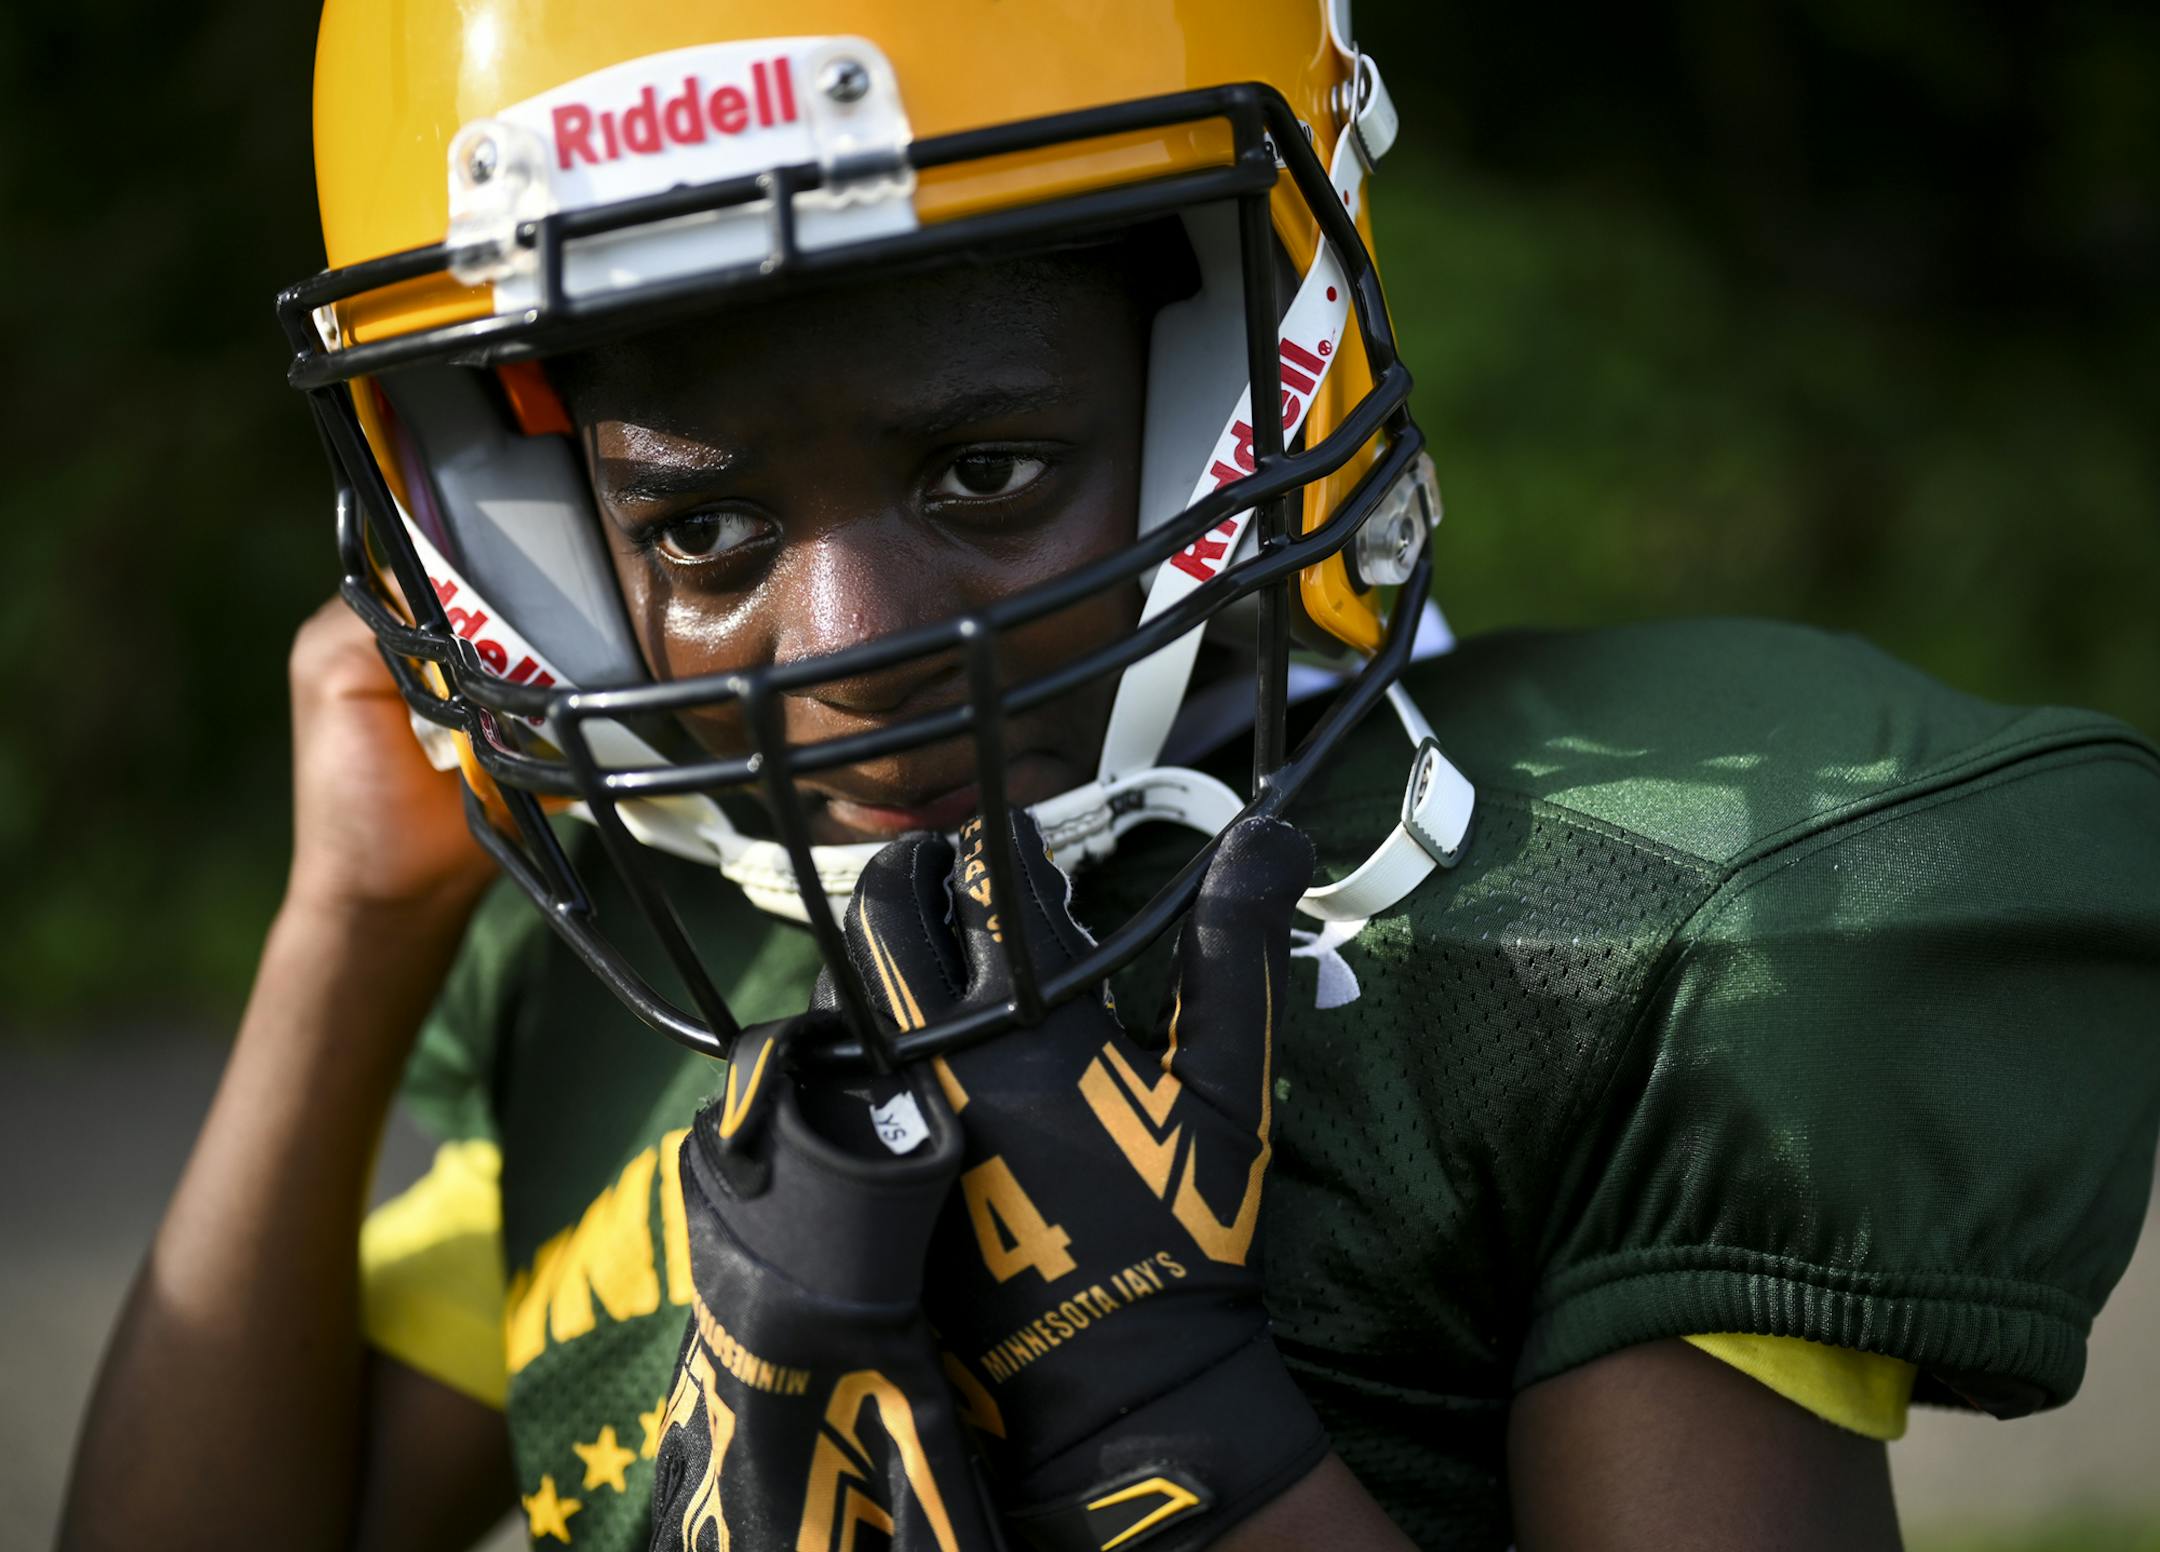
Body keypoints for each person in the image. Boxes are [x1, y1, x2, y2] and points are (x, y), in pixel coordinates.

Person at [60, 2, 2160, 1549]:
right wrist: (351, 928)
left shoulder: (1607, 901)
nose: (854, 642)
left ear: (1243, 361)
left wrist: (1168, 1419)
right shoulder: (593, 980)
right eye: (702, 534)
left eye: (986, 471)